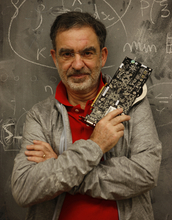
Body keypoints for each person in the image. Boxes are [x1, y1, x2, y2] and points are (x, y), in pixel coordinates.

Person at [11, 11, 162, 220]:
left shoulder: (133, 101)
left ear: (103, 55)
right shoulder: (40, 116)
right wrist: (96, 145)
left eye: (87, 53)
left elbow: (145, 174)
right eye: (67, 54)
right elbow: (24, 188)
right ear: (55, 58)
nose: (78, 64)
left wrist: (61, 166)